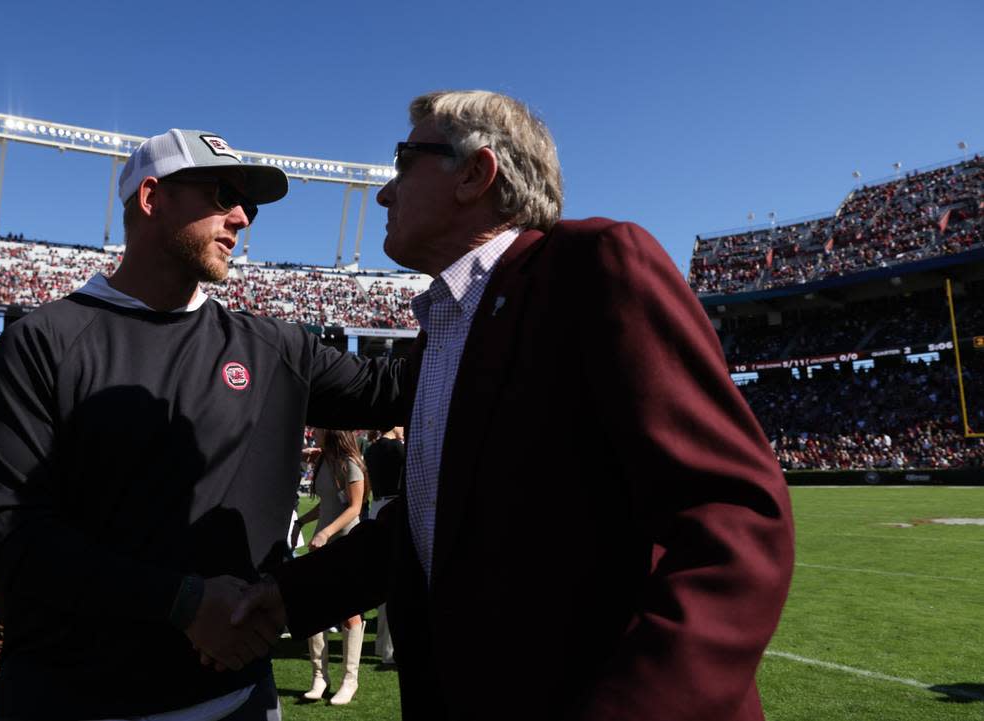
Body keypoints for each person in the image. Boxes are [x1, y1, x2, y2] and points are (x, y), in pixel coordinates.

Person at [235, 91, 796, 720]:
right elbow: (428, 526)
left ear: (476, 174)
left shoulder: (597, 268)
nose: (385, 193)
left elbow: (733, 517)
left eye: (404, 161)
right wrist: (287, 597)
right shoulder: (441, 330)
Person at [0, 128, 406, 721]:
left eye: (248, 203)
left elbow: (402, 390)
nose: (243, 218)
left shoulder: (272, 347)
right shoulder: (43, 341)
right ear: (151, 199)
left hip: (236, 697)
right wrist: (182, 602)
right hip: (71, 698)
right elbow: (10, 535)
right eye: (223, 194)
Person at [290, 429, 370, 705]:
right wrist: (303, 522)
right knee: (315, 609)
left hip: (347, 545)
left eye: (321, 427)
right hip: (322, 546)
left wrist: (324, 533)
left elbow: (355, 508)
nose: (316, 431)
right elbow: (328, 506)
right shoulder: (324, 460)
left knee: (350, 612)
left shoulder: (351, 463)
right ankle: (319, 678)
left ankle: (350, 680)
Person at [362, 426, 403, 665]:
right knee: (394, 583)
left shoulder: (371, 449)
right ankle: (388, 648)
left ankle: (381, 645)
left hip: (377, 507)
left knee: (383, 579)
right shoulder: (398, 448)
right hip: (393, 508)